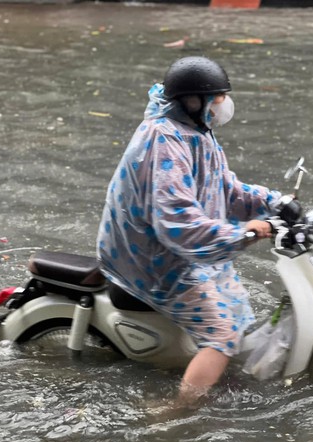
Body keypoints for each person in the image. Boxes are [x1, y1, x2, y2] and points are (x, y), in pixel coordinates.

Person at [96, 56, 284, 403]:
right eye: (217, 98)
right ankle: (177, 413)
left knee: (240, 309)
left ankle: (214, 375)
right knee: (224, 332)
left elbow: (225, 189)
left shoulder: (196, 133)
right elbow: (178, 223)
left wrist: (276, 203)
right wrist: (243, 232)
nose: (223, 105)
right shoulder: (163, 140)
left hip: (178, 255)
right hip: (154, 261)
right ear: (194, 101)